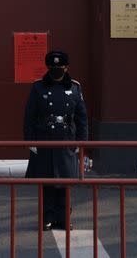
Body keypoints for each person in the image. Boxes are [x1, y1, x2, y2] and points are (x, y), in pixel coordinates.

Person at [24, 50, 88, 231]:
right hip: (45, 139)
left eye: (59, 67)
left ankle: (64, 218)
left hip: (67, 139)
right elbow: (30, 116)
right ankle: (47, 218)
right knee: (47, 181)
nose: (56, 70)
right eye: (52, 67)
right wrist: (30, 141)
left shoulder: (75, 87)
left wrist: (81, 142)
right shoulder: (38, 87)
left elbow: (82, 118)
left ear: (66, 68)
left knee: (65, 182)